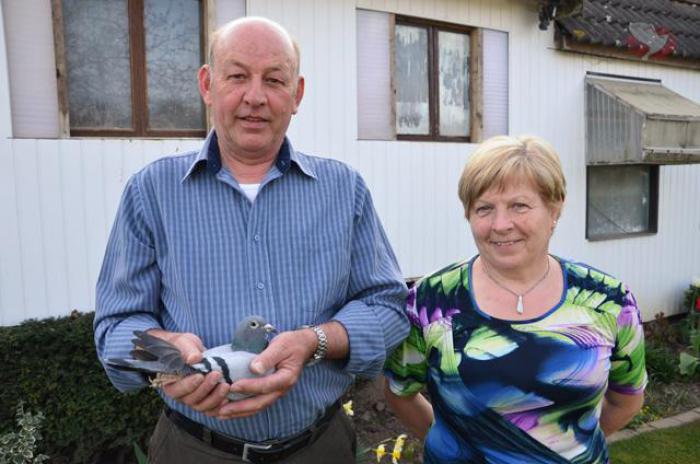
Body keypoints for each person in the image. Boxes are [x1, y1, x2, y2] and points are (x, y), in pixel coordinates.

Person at [94, 17, 409, 464]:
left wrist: (314, 341)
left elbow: (387, 306)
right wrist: (167, 360)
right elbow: (114, 327)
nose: (255, 97)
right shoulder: (151, 192)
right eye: (237, 76)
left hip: (320, 449)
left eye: (274, 80)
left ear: (297, 94)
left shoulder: (345, 190)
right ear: (208, 84)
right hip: (193, 450)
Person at [384, 135, 646, 463]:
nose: (501, 225)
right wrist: (452, 447)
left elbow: (627, 400)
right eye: (484, 209)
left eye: (519, 206)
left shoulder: (608, 301)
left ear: (555, 208)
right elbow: (400, 393)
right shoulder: (430, 302)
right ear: (469, 215)